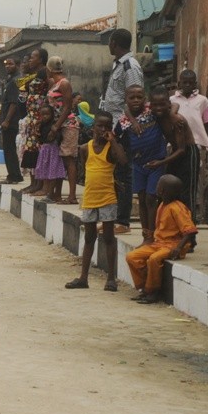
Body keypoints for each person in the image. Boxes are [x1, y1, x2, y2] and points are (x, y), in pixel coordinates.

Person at [66, 110, 127, 291]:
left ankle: (111, 279)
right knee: (90, 237)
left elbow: (123, 161)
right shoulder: (86, 148)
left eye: (106, 127)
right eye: (99, 126)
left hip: (107, 197)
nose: (102, 129)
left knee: (108, 237)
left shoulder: (111, 148)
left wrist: (113, 140)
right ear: (93, 128)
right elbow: (84, 170)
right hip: (90, 197)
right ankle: (83, 277)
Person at [125, 174, 198, 304]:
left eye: (159, 185)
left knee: (154, 259)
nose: (157, 188)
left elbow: (190, 231)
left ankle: (153, 291)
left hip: (172, 245)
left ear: (162, 190)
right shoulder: (162, 205)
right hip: (159, 243)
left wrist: (179, 248)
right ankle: (145, 288)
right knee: (132, 256)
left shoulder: (177, 207)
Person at [103, 28, 144, 234]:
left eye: (110, 42)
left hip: (126, 128)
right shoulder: (118, 65)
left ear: (115, 43)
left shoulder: (130, 66)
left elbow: (134, 98)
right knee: (115, 174)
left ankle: (123, 221)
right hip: (115, 127)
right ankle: (113, 218)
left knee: (124, 173)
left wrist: (131, 122)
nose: (109, 45)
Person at [115, 85, 167, 243]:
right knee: (143, 198)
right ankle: (146, 235)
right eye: (132, 98)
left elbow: (168, 105)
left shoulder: (152, 112)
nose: (136, 100)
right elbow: (118, 140)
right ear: (126, 100)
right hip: (138, 165)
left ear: (145, 99)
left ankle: (153, 234)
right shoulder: (123, 122)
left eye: (140, 97)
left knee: (152, 198)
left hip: (156, 162)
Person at [169, 68, 208, 218]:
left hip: (197, 144)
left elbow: (206, 122)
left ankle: (192, 215)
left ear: (195, 84)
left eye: (190, 82)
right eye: (184, 82)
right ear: (179, 83)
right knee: (176, 178)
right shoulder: (172, 100)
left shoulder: (203, 101)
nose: (187, 85)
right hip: (176, 145)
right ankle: (176, 214)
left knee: (194, 181)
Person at [151, 86, 196, 218]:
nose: (158, 108)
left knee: (187, 191)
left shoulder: (177, 120)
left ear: (168, 104)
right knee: (169, 189)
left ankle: (190, 230)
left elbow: (182, 150)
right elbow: (175, 103)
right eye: (155, 105)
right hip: (175, 153)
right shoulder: (158, 115)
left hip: (188, 153)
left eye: (162, 104)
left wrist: (161, 162)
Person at [46, 57, 80, 204]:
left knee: (69, 159)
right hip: (60, 124)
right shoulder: (55, 83)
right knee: (60, 159)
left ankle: (72, 196)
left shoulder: (64, 83)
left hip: (68, 124)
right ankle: (56, 193)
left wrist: (56, 126)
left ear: (49, 69)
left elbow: (67, 107)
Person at [20, 49, 50, 194]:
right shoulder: (32, 75)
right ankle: (33, 183)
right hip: (31, 116)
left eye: (33, 57)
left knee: (37, 149)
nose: (30, 60)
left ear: (41, 59)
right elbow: (19, 86)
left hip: (39, 116)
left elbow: (49, 93)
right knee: (30, 148)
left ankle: (39, 183)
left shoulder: (45, 73)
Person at [0, 57, 25, 183]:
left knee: (9, 149)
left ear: (17, 65)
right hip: (7, 119)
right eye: (6, 64)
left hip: (11, 121)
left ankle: (14, 175)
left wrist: (7, 120)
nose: (7, 66)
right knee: (8, 148)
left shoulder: (15, 81)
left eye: (11, 64)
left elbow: (14, 103)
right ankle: (13, 174)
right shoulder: (10, 80)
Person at [32, 104, 66, 198]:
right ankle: (45, 188)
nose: (45, 116)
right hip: (44, 150)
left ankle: (50, 191)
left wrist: (54, 133)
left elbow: (58, 138)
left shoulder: (54, 126)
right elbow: (41, 139)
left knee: (52, 170)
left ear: (52, 115)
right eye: (43, 114)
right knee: (44, 169)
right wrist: (37, 133)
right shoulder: (41, 125)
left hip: (53, 150)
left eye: (47, 114)